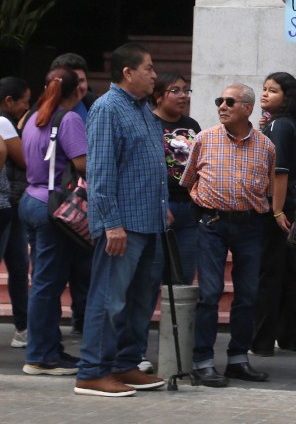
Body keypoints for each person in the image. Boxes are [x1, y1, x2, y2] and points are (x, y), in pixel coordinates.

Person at [75, 44, 171, 396]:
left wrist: (163, 206)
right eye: (147, 68)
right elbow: (100, 172)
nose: (154, 74)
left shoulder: (144, 109)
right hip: (123, 225)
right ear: (127, 73)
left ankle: (125, 364)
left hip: (150, 221)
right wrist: (110, 223)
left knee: (140, 300)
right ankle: (91, 371)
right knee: (109, 299)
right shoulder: (106, 109)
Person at [181, 83, 276, 387]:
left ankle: (238, 359)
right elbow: (188, 181)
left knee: (247, 295)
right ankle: (203, 362)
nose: (222, 105)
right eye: (219, 100)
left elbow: (271, 188)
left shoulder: (266, 146)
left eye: (229, 101)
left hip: (250, 226)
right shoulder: (204, 138)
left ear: (248, 108)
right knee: (209, 294)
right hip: (212, 224)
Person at [19, 67, 87, 379]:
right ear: (78, 91)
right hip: (54, 207)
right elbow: (82, 163)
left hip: (31, 200)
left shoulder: (33, 117)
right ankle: (40, 355)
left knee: (43, 282)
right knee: (47, 284)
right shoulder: (69, 119)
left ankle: (47, 348)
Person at [133, 72, 202, 372]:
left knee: (181, 283)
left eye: (186, 90)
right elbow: (143, 169)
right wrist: (157, 203)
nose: (184, 96)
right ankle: (135, 353)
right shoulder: (148, 123)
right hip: (158, 209)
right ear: (158, 95)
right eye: (176, 90)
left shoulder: (192, 126)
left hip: (189, 211)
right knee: (148, 283)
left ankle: (176, 354)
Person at [251, 73, 296, 356]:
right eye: (264, 89)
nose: (264, 94)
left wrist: (275, 210)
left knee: (269, 276)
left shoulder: (280, 126)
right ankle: (293, 336)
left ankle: (261, 342)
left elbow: (280, 172)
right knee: (287, 274)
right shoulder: (289, 125)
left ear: (286, 97)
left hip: (277, 208)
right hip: (288, 206)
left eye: (272, 91)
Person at [47, 52, 95, 336]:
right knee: (52, 273)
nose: (79, 88)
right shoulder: (49, 112)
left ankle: (83, 320)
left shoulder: (94, 104)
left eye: (83, 81)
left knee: (86, 268)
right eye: (74, 81)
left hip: (86, 201)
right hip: (60, 199)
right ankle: (46, 338)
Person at [0, 76, 31, 349]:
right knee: (18, 267)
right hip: (6, 203)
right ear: (8, 101)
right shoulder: (3, 123)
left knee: (20, 266)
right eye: (24, 102)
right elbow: (24, 160)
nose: (26, 107)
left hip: (12, 204)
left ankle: (24, 326)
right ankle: (22, 327)